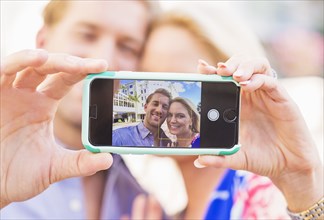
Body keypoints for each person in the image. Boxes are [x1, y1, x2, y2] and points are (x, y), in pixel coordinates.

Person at [139, 3, 323, 219]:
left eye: (177, 85)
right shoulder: (163, 211)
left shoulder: (262, 199)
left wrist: (301, 187)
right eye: (143, 78)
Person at [1, 1, 163, 219]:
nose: (104, 60)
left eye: (128, 47)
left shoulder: (144, 203)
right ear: (42, 41)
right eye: (87, 34)